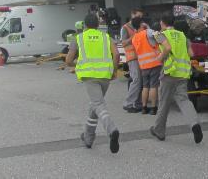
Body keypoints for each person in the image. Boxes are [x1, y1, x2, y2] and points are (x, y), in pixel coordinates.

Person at [66, 13, 120, 153]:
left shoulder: (78, 38)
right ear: (98, 25)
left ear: (84, 25)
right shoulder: (106, 37)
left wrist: (78, 63)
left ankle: (111, 129)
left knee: (97, 104)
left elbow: (68, 60)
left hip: (90, 76)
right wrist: (114, 71)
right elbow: (117, 55)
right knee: (94, 105)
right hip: (105, 77)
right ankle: (88, 138)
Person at [150, 15, 202, 144]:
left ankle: (159, 131)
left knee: (164, 103)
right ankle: (194, 123)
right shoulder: (183, 36)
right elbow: (191, 54)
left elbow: (167, 48)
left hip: (169, 72)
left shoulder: (161, 35)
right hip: (182, 73)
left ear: (162, 23)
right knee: (184, 100)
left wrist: (160, 58)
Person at [131, 20, 162, 115]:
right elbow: (160, 37)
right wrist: (148, 26)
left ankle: (144, 108)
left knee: (145, 86)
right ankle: (153, 108)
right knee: (153, 86)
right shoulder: (147, 32)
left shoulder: (134, 38)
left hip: (143, 65)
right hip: (154, 63)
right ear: (141, 24)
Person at [121, 8, 145, 113]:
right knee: (136, 80)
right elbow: (124, 43)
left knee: (141, 81)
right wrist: (134, 35)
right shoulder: (125, 27)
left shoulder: (142, 26)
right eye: (138, 16)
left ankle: (138, 103)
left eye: (141, 17)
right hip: (133, 57)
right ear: (132, 15)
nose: (140, 18)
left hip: (142, 57)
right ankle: (128, 103)